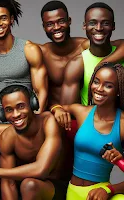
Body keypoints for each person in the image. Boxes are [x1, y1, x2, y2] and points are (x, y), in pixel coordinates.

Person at [0, 84, 64, 200]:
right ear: (2, 114)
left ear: (32, 104)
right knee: (26, 186)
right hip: (27, 192)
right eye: (9, 110)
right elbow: (8, 183)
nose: (16, 114)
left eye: (21, 106)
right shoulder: (7, 138)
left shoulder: (48, 122)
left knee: (29, 185)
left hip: (57, 187)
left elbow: (41, 170)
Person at [53, 62, 124, 199]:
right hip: (73, 191)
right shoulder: (81, 112)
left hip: (100, 194)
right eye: (96, 82)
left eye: (108, 86)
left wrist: (109, 190)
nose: (99, 89)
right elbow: (57, 106)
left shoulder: (122, 124)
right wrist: (56, 109)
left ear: (118, 91)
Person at [0, 0, 47, 125]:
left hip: (24, 121)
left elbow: (41, 92)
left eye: (3, 18)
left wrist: (34, 123)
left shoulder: (29, 50)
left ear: (11, 19)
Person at [52, 2, 124, 130]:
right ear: (84, 26)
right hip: (94, 127)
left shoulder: (121, 53)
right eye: (92, 23)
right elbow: (68, 111)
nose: (99, 28)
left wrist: (102, 64)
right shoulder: (77, 64)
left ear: (113, 26)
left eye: (105, 23)